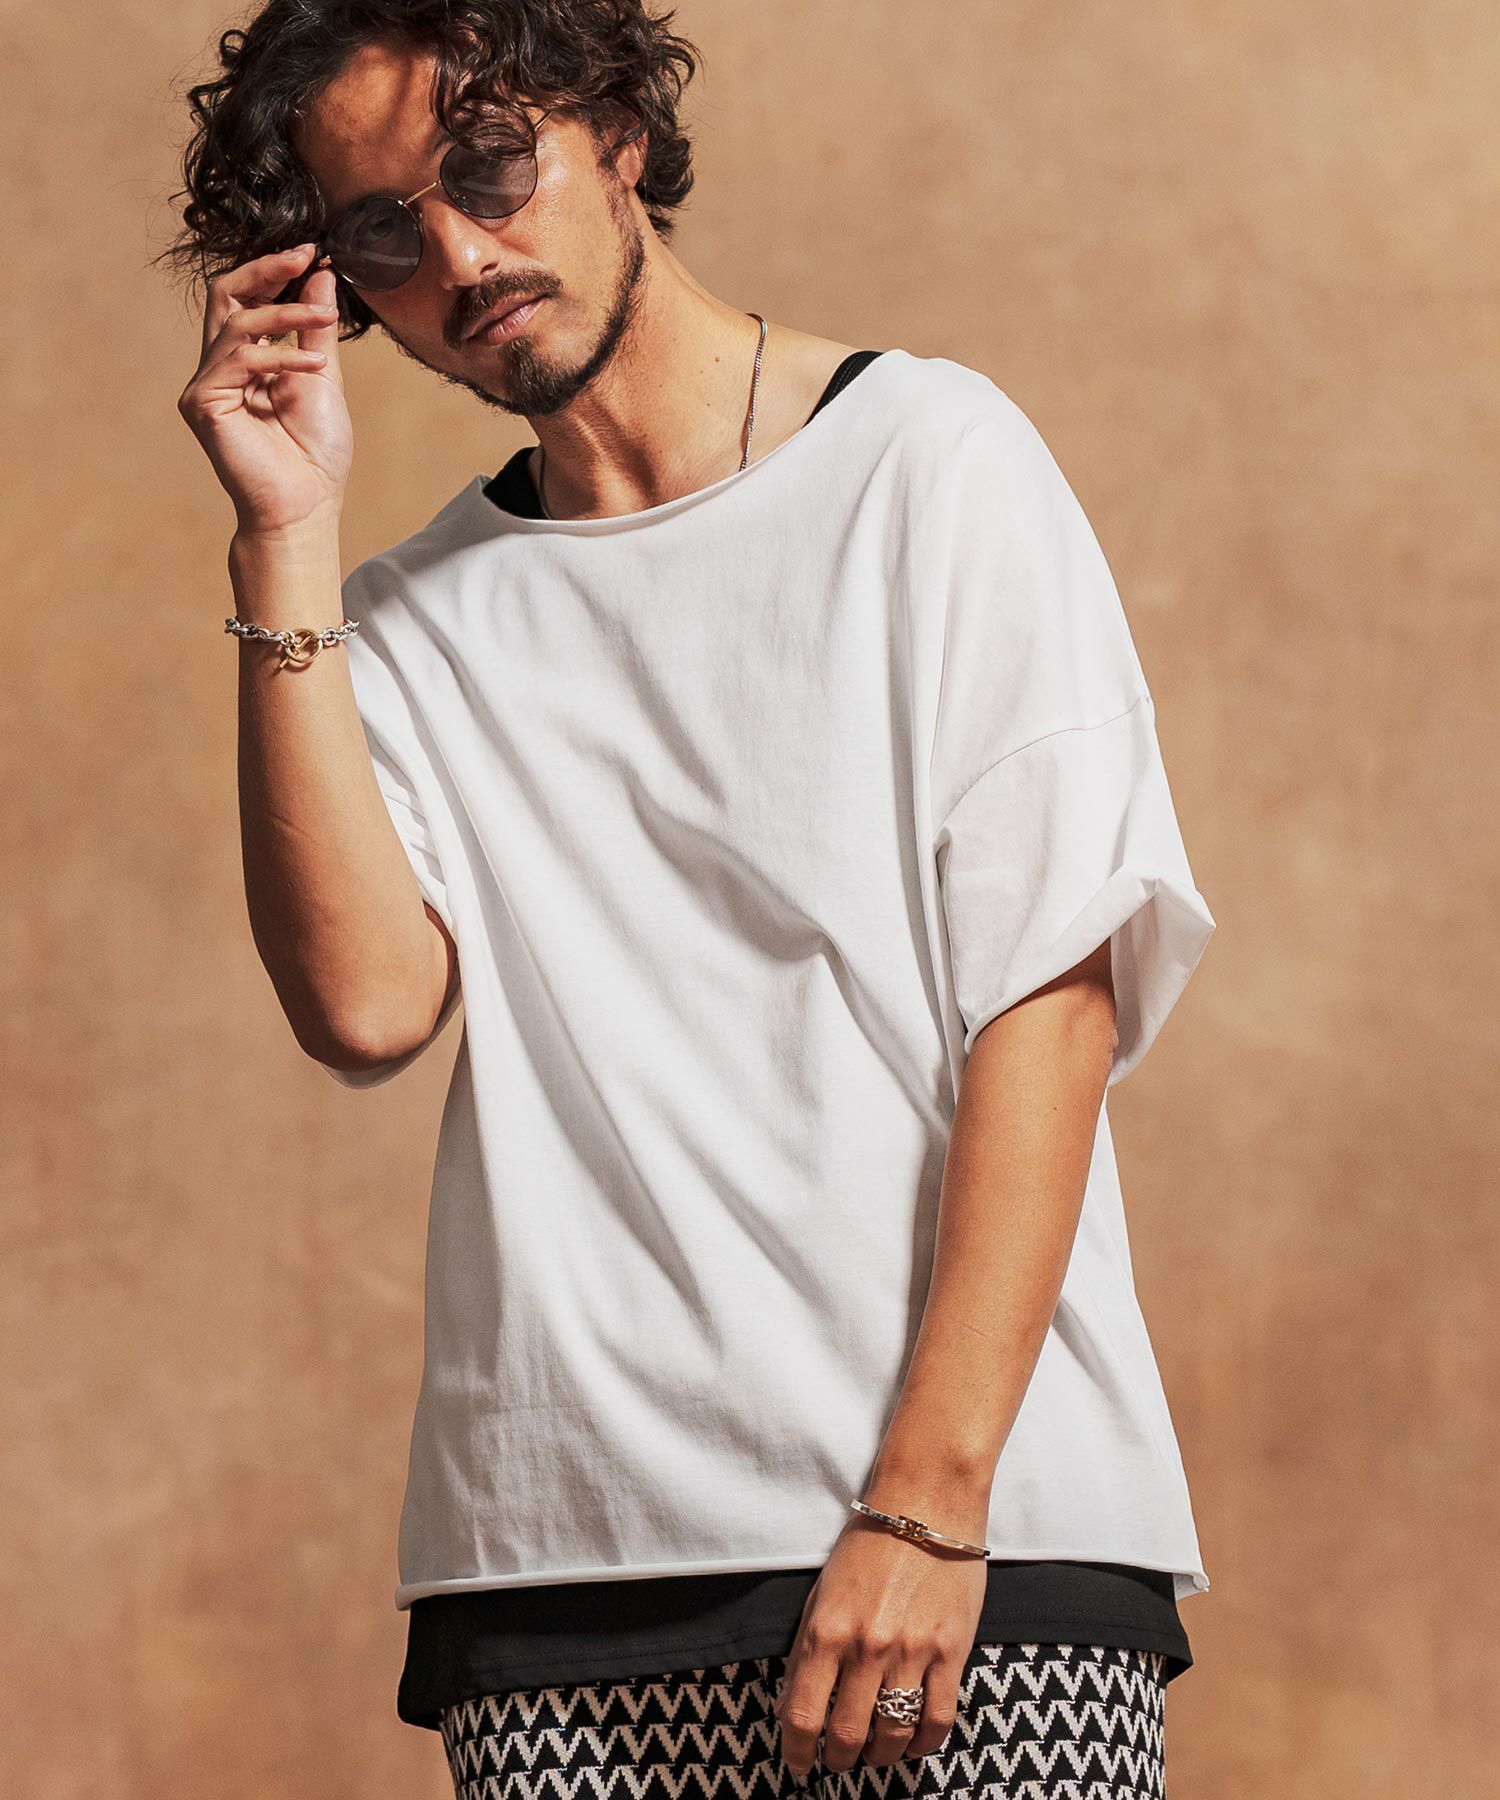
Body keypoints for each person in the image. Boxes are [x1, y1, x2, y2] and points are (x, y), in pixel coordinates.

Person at [165, 3, 1217, 1794]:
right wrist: (284, 538)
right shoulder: (401, 621)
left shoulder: (929, 460)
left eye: (490, 169)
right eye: (383, 234)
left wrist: (932, 1501)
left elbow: (1048, 996)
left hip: (976, 1548)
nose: (460, 259)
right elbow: (364, 1006)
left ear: (619, 132)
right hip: (564, 1574)